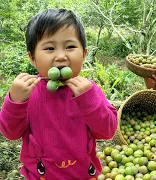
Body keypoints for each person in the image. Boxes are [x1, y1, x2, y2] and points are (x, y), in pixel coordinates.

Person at [0, 9, 118, 179]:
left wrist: (89, 100)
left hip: (84, 175)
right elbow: (10, 133)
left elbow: (108, 131)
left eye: (70, 47)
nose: (61, 56)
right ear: (32, 58)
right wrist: (15, 102)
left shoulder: (89, 90)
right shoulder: (27, 92)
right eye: (49, 48)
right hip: (39, 176)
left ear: (84, 54)